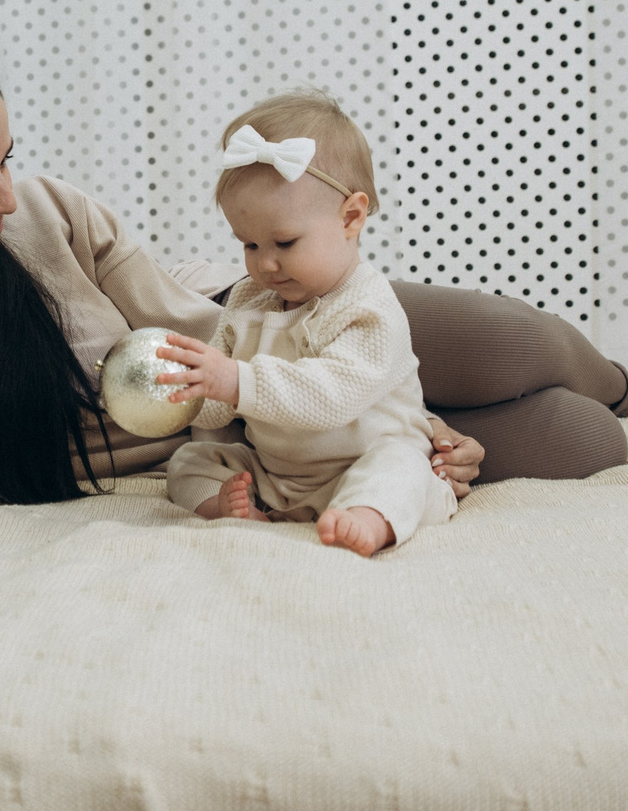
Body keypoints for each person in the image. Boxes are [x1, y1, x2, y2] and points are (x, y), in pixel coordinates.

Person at [0, 14, 628, 534]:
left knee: (514, 339)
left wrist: (375, 389)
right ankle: (604, 413)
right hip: (237, 438)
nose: (7, 195)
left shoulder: (41, 210)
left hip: (264, 335)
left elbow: (196, 318)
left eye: (5, 158)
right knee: (581, 441)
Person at [157, 93, 452, 557]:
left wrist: (234, 378)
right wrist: (195, 388)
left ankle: (368, 518)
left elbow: (330, 397)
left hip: (360, 465)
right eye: (249, 245)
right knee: (190, 459)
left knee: (403, 467)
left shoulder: (370, 308)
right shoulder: (248, 298)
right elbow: (220, 409)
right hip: (277, 477)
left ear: (351, 218)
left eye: (284, 242)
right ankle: (221, 506)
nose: (266, 263)